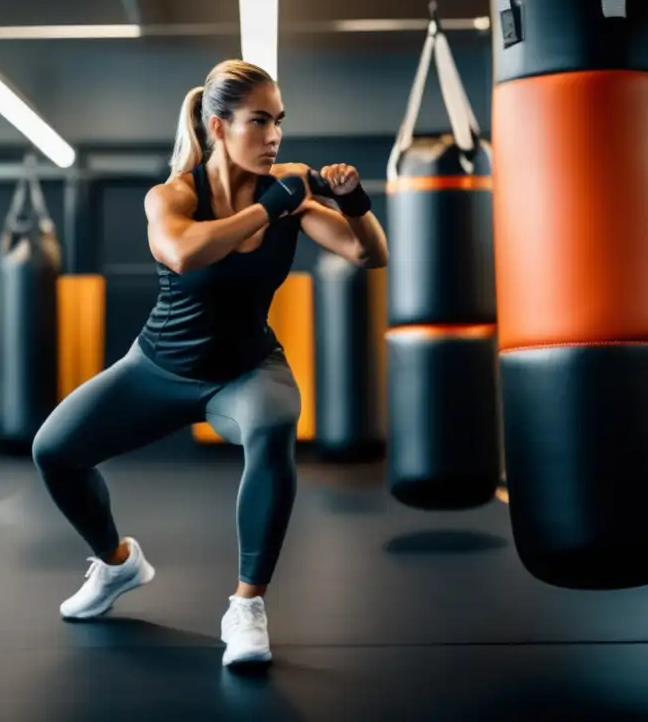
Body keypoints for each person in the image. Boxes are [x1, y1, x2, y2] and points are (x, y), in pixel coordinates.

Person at [31, 59, 389, 667]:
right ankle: (118, 564)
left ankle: (247, 606)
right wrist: (272, 205)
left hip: (247, 370)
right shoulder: (173, 195)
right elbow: (184, 252)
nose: (274, 136)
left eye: (279, 122)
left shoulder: (292, 204)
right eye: (259, 121)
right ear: (219, 126)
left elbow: (369, 252)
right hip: (157, 368)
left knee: (274, 427)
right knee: (54, 451)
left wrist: (353, 201)